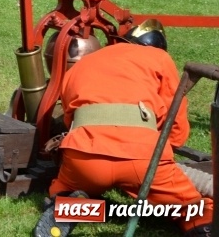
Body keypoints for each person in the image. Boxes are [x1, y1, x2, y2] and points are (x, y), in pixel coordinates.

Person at [33, 20, 213, 237]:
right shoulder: (160, 58)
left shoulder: (85, 62)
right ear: (158, 47)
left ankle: (70, 205)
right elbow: (175, 126)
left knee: (63, 191)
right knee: (193, 208)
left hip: (84, 160)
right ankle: (202, 228)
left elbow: (70, 119)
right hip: (142, 160)